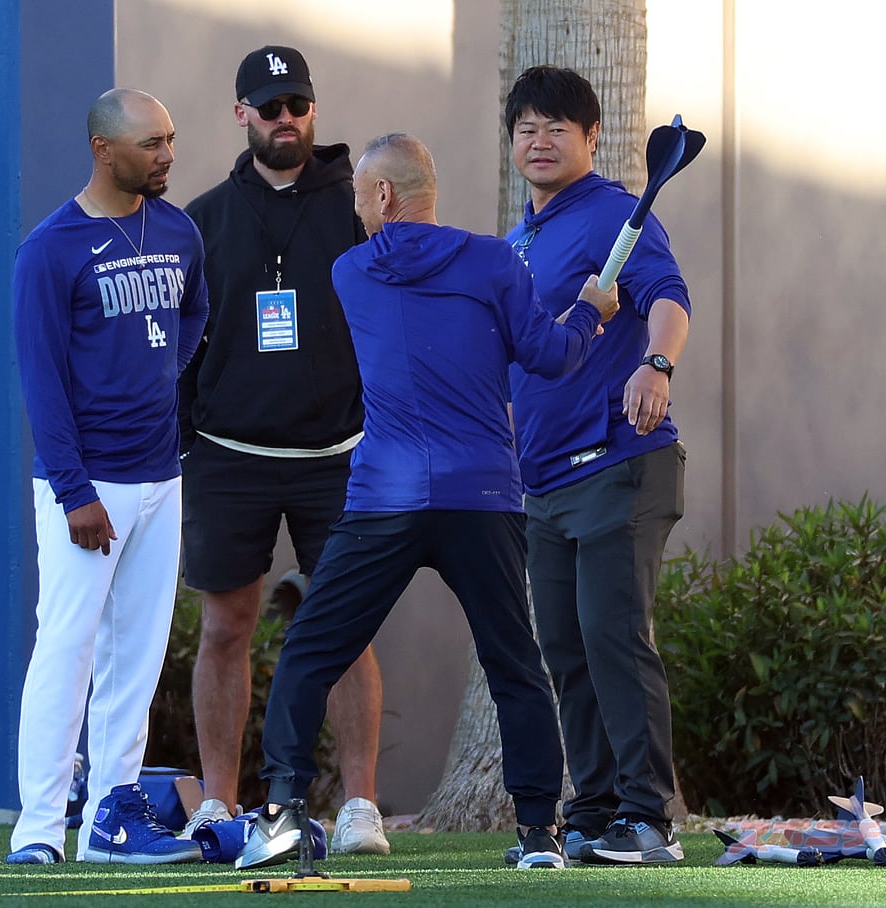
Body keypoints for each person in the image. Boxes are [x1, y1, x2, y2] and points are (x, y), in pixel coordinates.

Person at [234, 132, 620, 872]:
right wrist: (590, 310)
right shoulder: (496, 262)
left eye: (360, 196)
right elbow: (554, 356)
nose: (357, 210)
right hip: (484, 495)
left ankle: (281, 814)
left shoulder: (352, 272)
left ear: (383, 195)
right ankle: (538, 836)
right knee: (515, 664)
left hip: (387, 497)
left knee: (311, 650)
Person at [178, 45, 388, 855]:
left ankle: (361, 807)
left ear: (313, 109)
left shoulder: (358, 208)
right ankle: (218, 804)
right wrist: (183, 437)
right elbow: (183, 349)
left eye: (297, 104)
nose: (285, 119)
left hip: (340, 453)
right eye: (269, 107)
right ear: (242, 114)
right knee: (226, 626)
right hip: (228, 454)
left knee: (346, 628)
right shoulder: (203, 220)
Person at [7, 88, 209, 865]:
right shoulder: (50, 249)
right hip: (89, 484)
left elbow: (195, 314)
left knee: (137, 659)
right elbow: (42, 382)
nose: (167, 154)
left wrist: (156, 382)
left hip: (161, 475)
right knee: (66, 650)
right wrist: (74, 491)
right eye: (150, 143)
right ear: (103, 149)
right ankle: (37, 829)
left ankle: (110, 821)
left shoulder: (178, 230)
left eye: (170, 138)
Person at [503, 65, 691, 865]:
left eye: (558, 128)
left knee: (614, 637)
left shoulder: (614, 213)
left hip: (619, 461)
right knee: (568, 650)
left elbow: (669, 296)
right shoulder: (517, 241)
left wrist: (656, 363)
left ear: (591, 138)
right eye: (527, 128)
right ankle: (595, 809)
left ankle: (649, 819)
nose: (541, 141)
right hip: (542, 481)